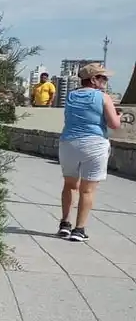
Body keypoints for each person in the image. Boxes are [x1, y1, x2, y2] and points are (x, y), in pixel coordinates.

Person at [56, 62, 121, 242]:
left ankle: (64, 224)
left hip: (69, 143)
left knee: (69, 185)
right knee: (87, 190)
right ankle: (79, 230)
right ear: (93, 79)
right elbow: (114, 124)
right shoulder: (103, 97)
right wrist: (119, 116)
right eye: (103, 78)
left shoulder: (71, 96)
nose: (106, 81)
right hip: (94, 144)